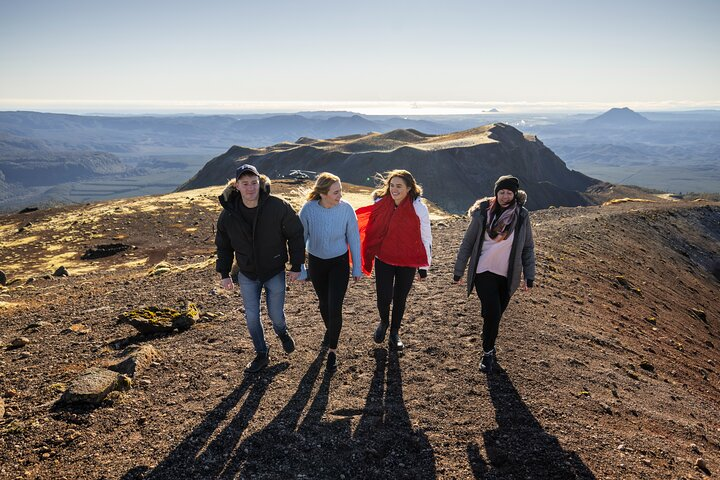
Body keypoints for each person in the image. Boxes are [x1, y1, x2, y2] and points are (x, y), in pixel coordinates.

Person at [215, 164, 305, 373]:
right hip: (247, 273)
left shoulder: (278, 206)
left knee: (276, 315)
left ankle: (282, 332)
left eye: (254, 183)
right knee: (252, 316)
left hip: (274, 270)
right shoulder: (228, 214)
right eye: (245, 184)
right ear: (237, 186)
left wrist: (297, 264)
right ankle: (261, 353)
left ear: (260, 183)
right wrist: (224, 273)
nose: (250, 188)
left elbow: (296, 234)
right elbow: (223, 246)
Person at [453, 175, 536, 373]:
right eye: (501, 192)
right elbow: (468, 243)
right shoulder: (483, 213)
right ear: (496, 193)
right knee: (493, 312)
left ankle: (488, 335)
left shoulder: (522, 216)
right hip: (483, 270)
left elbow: (527, 248)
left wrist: (529, 276)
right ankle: (488, 352)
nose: (505, 196)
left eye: (509, 193)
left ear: (514, 195)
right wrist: (459, 270)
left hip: (508, 275)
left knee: (495, 315)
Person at [356, 169, 432, 351]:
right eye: (392, 185)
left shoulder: (419, 207)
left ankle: (394, 333)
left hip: (408, 260)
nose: (394, 189)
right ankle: (383, 322)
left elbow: (426, 237)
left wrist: (424, 266)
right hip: (385, 258)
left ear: (409, 188)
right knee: (383, 296)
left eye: (399, 186)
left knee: (400, 298)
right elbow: (370, 226)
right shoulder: (381, 203)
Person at [299, 173, 362, 371]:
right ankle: (330, 329)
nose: (340, 195)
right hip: (317, 263)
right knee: (324, 304)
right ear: (323, 193)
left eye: (340, 191)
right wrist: (300, 268)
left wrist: (357, 267)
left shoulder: (346, 209)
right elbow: (300, 241)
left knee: (335, 306)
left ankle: (333, 350)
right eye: (336, 192)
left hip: (339, 263)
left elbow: (353, 238)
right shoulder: (308, 210)